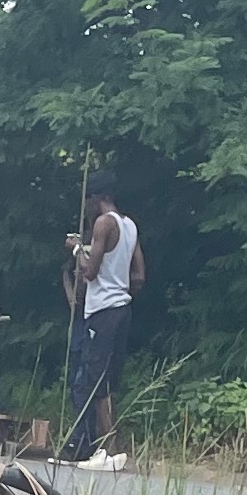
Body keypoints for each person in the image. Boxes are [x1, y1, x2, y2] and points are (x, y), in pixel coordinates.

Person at [63, 188, 146, 463]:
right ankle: (109, 446)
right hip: (123, 309)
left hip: (101, 311)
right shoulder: (130, 225)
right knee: (106, 383)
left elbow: (90, 271)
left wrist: (77, 248)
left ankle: (91, 447)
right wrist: (122, 292)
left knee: (89, 380)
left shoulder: (103, 223)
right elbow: (139, 276)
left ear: (96, 198)